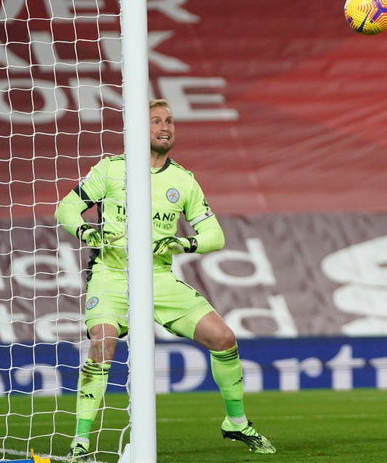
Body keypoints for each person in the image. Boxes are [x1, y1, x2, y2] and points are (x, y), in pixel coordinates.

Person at [55, 99, 276, 460]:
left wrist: (183, 242)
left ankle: (236, 422)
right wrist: (85, 230)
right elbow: (65, 207)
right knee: (103, 344)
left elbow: (215, 235)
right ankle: (80, 442)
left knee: (223, 338)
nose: (165, 126)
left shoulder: (182, 180)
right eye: (156, 120)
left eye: (170, 121)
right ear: (138, 129)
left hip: (158, 277)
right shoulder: (112, 170)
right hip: (112, 275)